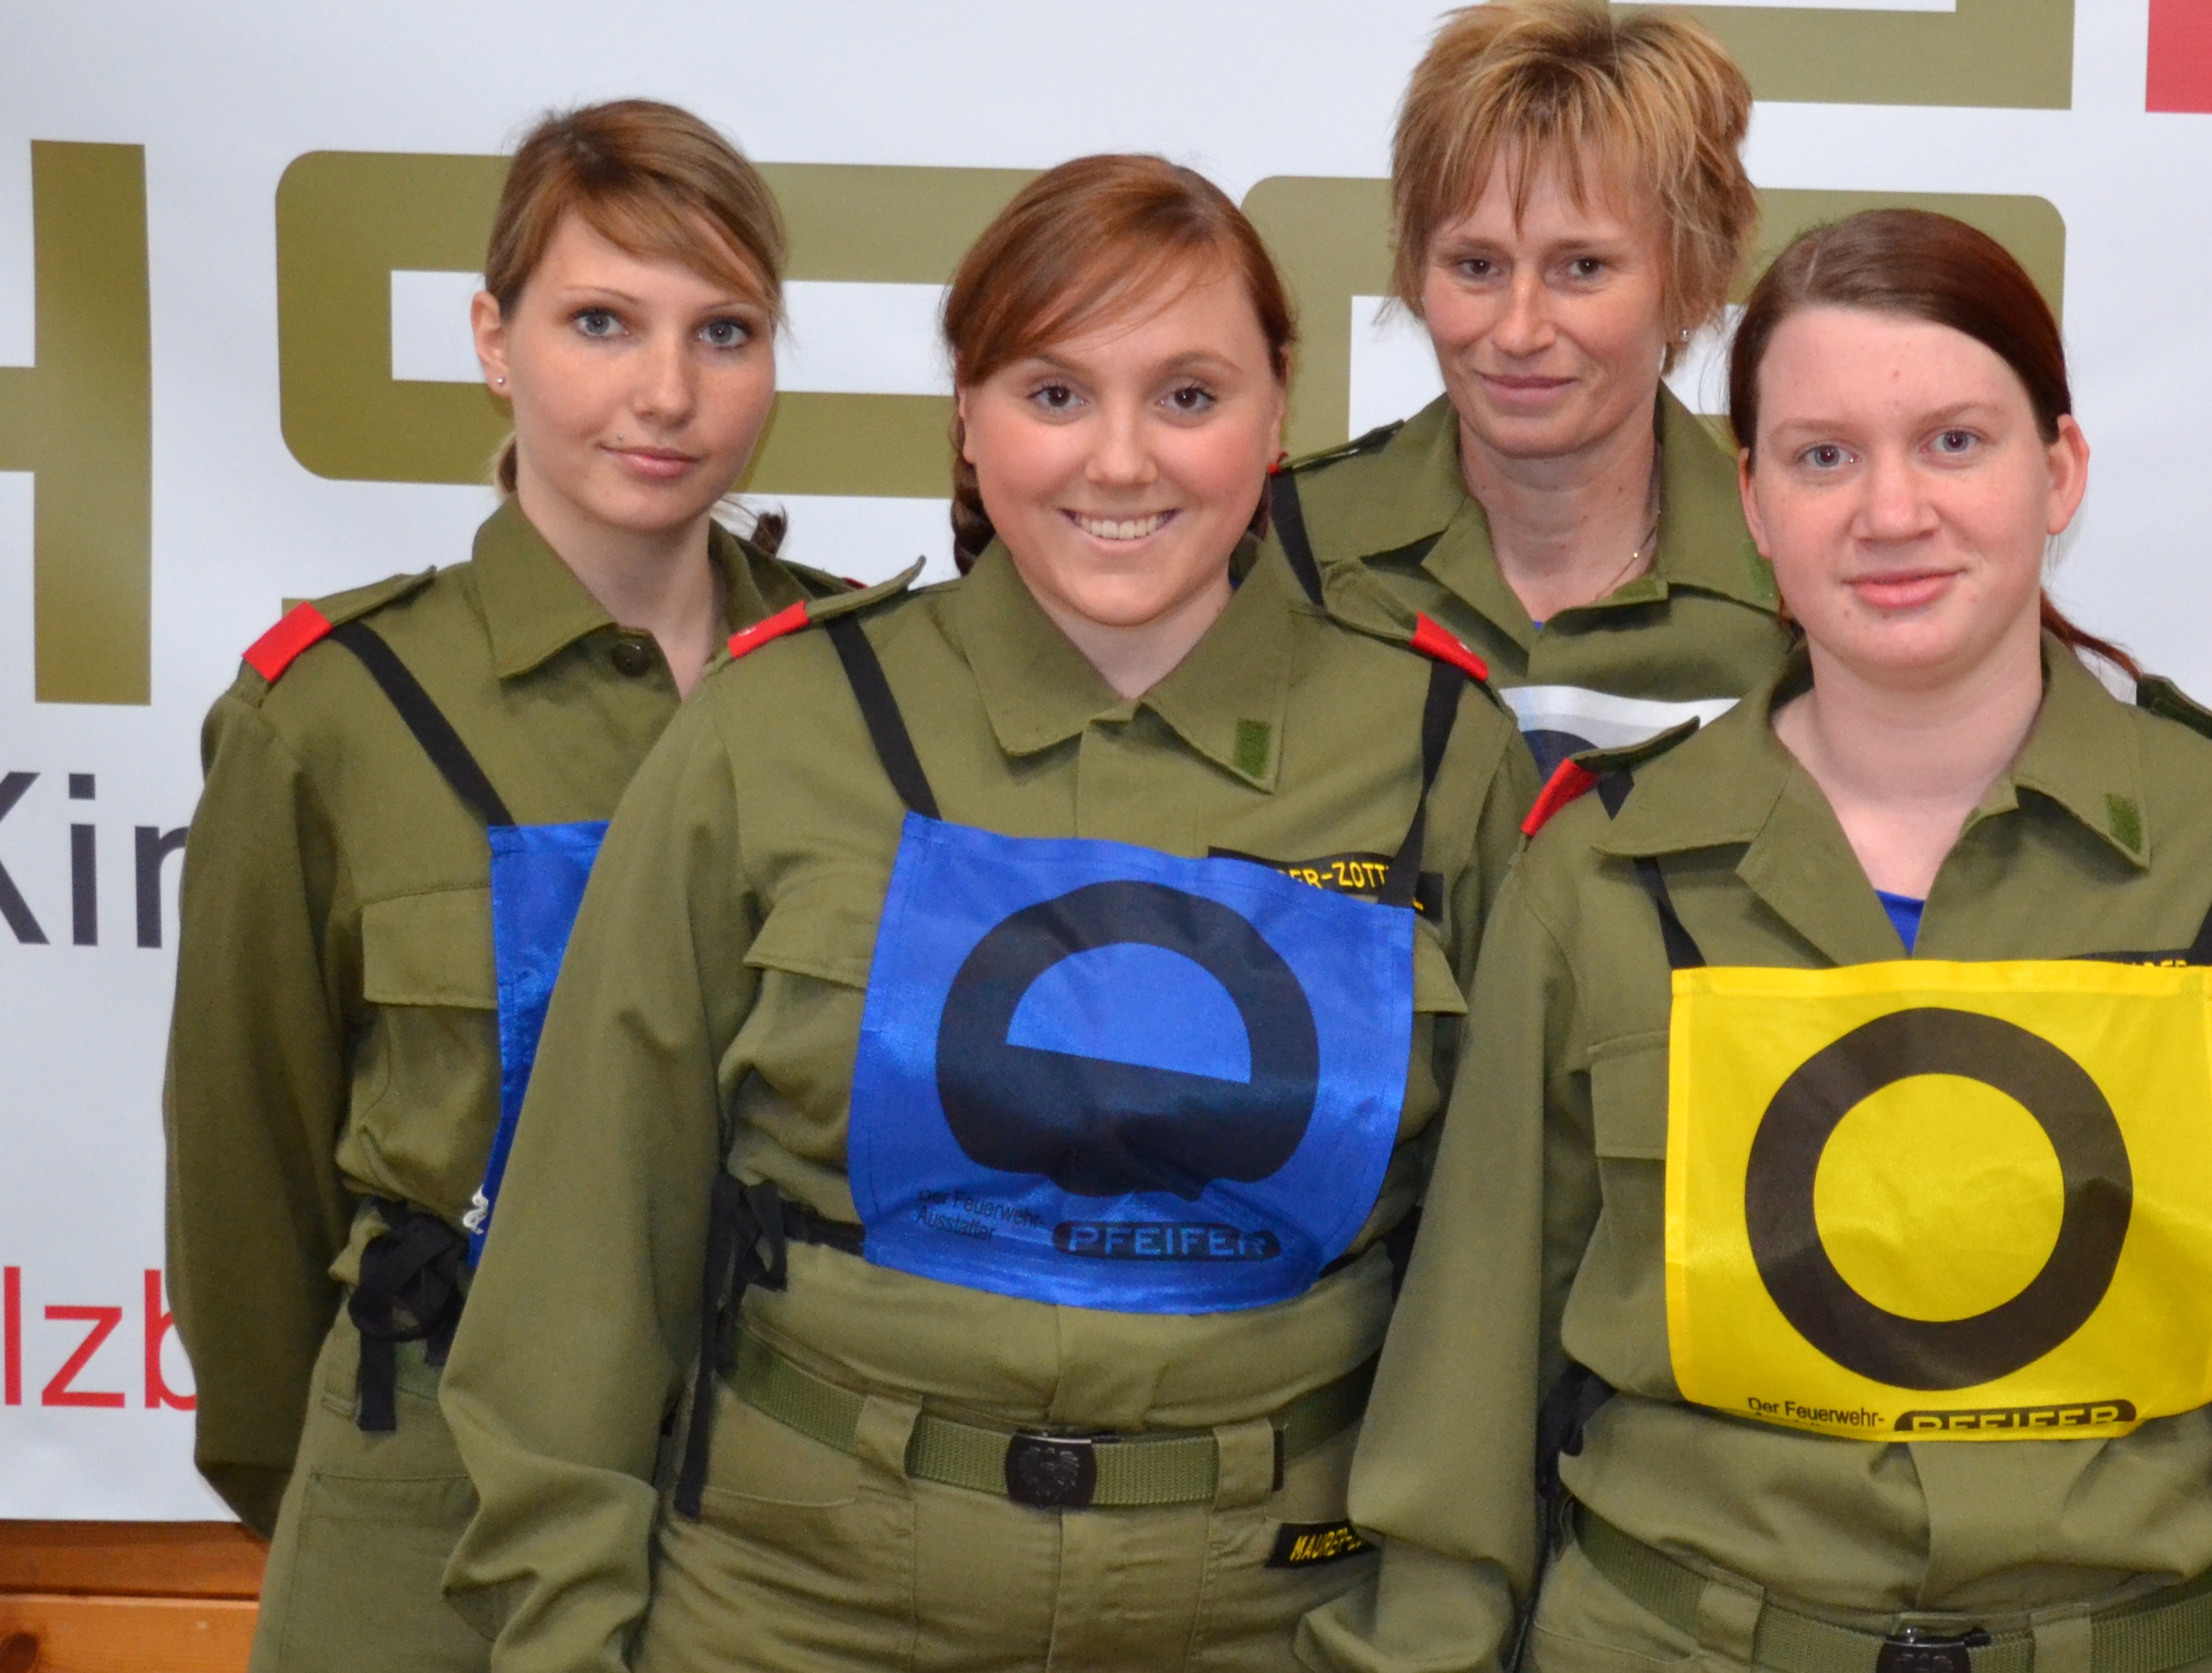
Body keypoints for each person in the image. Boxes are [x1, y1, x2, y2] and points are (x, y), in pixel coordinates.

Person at [436, 155, 1538, 1673]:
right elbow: (585, 1241)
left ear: (1279, 407)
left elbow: (1496, 1279)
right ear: (967, 413)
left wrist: (1428, 1638)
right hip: (794, 1616)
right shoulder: (780, 726)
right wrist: (565, 1639)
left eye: (1189, 396)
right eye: (1054, 393)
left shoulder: (1436, 759)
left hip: (1270, 1615)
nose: (1121, 462)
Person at [1305, 210, 2212, 1673]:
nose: (1890, 511)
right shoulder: (1602, 874)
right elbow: (1469, 1390)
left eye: (1954, 442)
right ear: (1753, 501)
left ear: (2060, 469)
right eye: (1823, 456)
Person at [163, 99, 841, 1671]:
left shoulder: (862, 687)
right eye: (602, 321)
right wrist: (344, 1482)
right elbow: (247, 1182)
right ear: (493, 339)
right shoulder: (333, 716)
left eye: (724, 331)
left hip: (790, 1514)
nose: (665, 392)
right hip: (431, 1507)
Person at [1276, 0, 1791, 775]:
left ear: (1690, 283)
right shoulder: (1283, 551)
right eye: (1476, 266)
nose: (1518, 331)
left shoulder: (1799, 579)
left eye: (1581, 268)